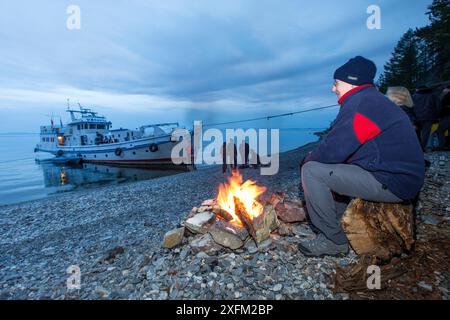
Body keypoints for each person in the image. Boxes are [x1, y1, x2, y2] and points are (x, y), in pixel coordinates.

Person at [298, 56, 425, 257]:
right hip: (399, 176)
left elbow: (335, 149)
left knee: (312, 171)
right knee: (332, 168)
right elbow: (345, 145)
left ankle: (333, 240)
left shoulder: (360, 104)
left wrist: (308, 158)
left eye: (336, 83)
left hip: (394, 181)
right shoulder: (370, 100)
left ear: (351, 81)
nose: (333, 89)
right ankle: (339, 220)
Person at [413, 85, 439, 151]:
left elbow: (411, 107)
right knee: (426, 133)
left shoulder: (414, 96)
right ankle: (423, 148)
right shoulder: (433, 96)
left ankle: (417, 148)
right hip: (429, 117)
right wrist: (437, 116)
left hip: (417, 117)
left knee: (417, 133)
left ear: (418, 89)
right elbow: (438, 106)